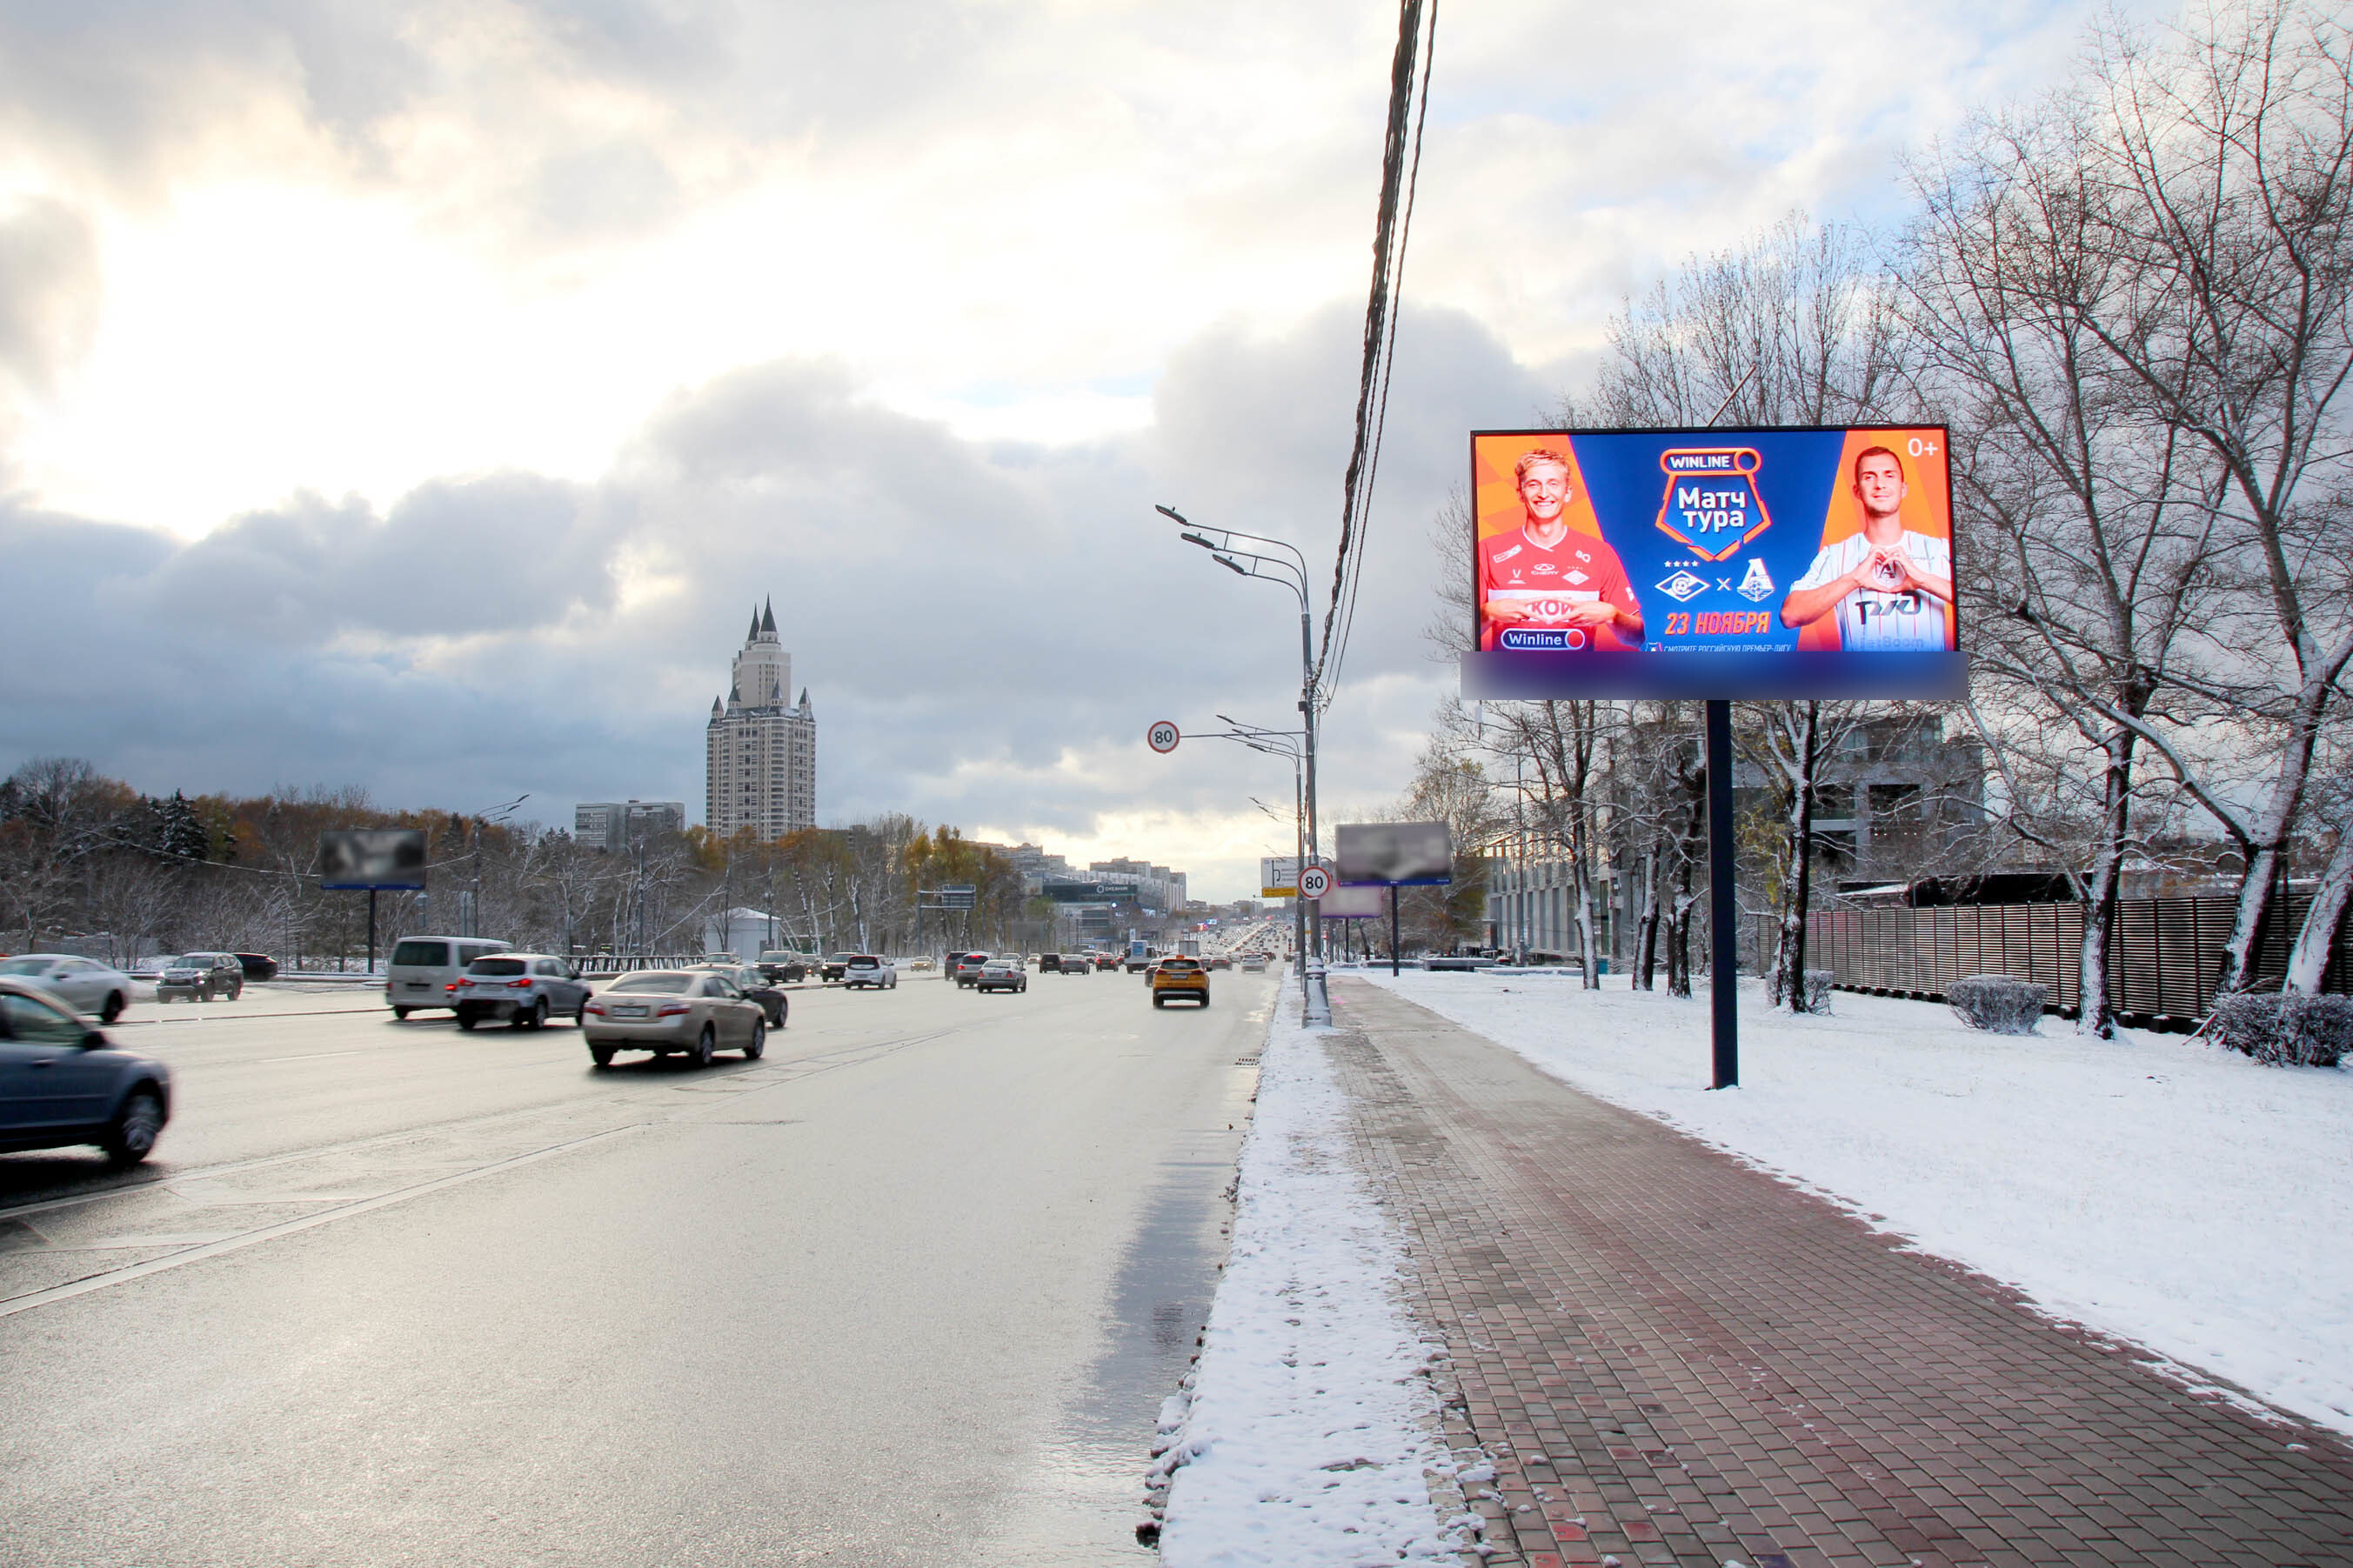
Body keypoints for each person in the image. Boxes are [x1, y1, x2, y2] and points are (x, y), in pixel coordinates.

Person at [1778, 446, 1954, 651]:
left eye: (1889, 475)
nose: (1880, 484)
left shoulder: (1938, 549)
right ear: (1857, 491)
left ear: (1903, 488)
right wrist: (1853, 580)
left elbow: (1977, 605)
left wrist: (1923, 579)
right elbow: (1790, 616)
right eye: (1869, 477)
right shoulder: (1834, 555)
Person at [1479, 448, 1644, 651]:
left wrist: (1613, 616)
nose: (1544, 494)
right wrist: (1487, 614)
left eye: (1553, 484)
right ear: (1520, 493)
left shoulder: (1600, 554)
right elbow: (1462, 632)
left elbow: (1637, 638)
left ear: (1567, 493)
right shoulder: (1488, 550)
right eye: (1533, 485)